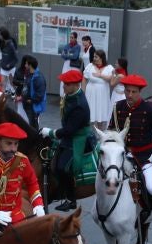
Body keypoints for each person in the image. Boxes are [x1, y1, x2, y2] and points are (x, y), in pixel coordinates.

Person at [107, 74, 152, 234]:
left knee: (151, 187)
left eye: (134, 92)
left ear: (140, 92)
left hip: (147, 155)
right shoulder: (118, 107)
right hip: (124, 154)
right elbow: (112, 130)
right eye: (127, 91)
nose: (129, 95)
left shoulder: (149, 108)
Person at [41, 70, 90, 212]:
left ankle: (71, 200)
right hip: (69, 134)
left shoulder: (80, 104)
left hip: (78, 137)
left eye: (66, 84)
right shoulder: (71, 95)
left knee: (64, 167)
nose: (63, 87)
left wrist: (50, 132)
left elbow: (69, 130)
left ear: (75, 84)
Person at [83, 49, 114, 130]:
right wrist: (83, 92)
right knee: (90, 113)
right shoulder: (90, 66)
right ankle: (90, 133)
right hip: (91, 93)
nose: (94, 58)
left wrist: (100, 75)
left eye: (96, 57)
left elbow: (111, 79)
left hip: (102, 94)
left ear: (101, 58)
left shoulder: (109, 68)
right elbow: (84, 79)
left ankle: (101, 132)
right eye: (94, 56)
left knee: (101, 113)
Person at [17, 55, 46, 130]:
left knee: (33, 126)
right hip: (27, 104)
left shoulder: (38, 78)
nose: (25, 65)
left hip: (32, 106)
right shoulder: (30, 74)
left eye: (26, 64)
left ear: (30, 65)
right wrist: (22, 97)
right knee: (30, 124)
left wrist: (30, 101)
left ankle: (35, 140)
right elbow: (26, 88)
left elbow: (40, 95)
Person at [58, 31, 82, 97]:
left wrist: (67, 54)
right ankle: (64, 95)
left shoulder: (78, 46)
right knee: (65, 78)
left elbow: (75, 56)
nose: (71, 39)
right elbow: (62, 55)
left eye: (72, 37)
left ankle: (74, 94)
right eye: (70, 37)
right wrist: (70, 54)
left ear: (75, 38)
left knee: (73, 79)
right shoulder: (67, 45)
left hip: (74, 65)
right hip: (66, 65)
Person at [0, 27, 18, 95]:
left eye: (0, 35)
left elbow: (16, 58)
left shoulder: (11, 45)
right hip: (3, 66)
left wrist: (10, 64)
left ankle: (14, 92)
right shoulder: (1, 41)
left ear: (4, 35)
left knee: (11, 82)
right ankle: (2, 96)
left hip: (10, 68)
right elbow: (0, 51)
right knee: (2, 83)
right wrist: (1, 60)